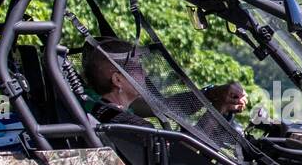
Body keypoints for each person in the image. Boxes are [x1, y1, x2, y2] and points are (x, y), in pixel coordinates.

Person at [82, 39, 246, 128]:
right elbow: (183, 160)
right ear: (118, 80)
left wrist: (212, 94)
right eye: (137, 68)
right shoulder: (129, 124)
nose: (144, 73)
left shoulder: (103, 108)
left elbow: (165, 107)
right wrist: (218, 108)